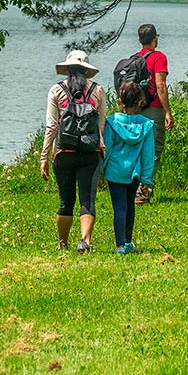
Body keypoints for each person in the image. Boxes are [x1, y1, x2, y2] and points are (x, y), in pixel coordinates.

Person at [41, 50, 107, 253]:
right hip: (90, 153)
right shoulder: (98, 90)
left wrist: (44, 157)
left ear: (67, 70)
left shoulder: (56, 90)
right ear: (87, 71)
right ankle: (85, 242)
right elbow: (101, 125)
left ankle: (63, 244)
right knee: (87, 199)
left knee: (65, 200)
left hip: (63, 152)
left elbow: (52, 127)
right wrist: (101, 151)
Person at [102, 81, 156, 254]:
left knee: (119, 207)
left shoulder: (112, 122)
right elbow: (148, 154)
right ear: (140, 100)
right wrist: (146, 179)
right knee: (130, 205)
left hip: (114, 170)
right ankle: (127, 241)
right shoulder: (146, 125)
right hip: (134, 172)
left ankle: (119, 245)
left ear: (120, 100)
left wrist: (102, 170)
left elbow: (107, 148)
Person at [134, 23, 174, 204]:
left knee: (137, 149)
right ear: (155, 39)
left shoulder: (134, 59)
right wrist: (167, 112)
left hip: (136, 110)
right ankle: (143, 193)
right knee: (154, 150)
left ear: (139, 39)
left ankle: (133, 189)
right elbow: (160, 85)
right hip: (153, 109)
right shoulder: (159, 57)